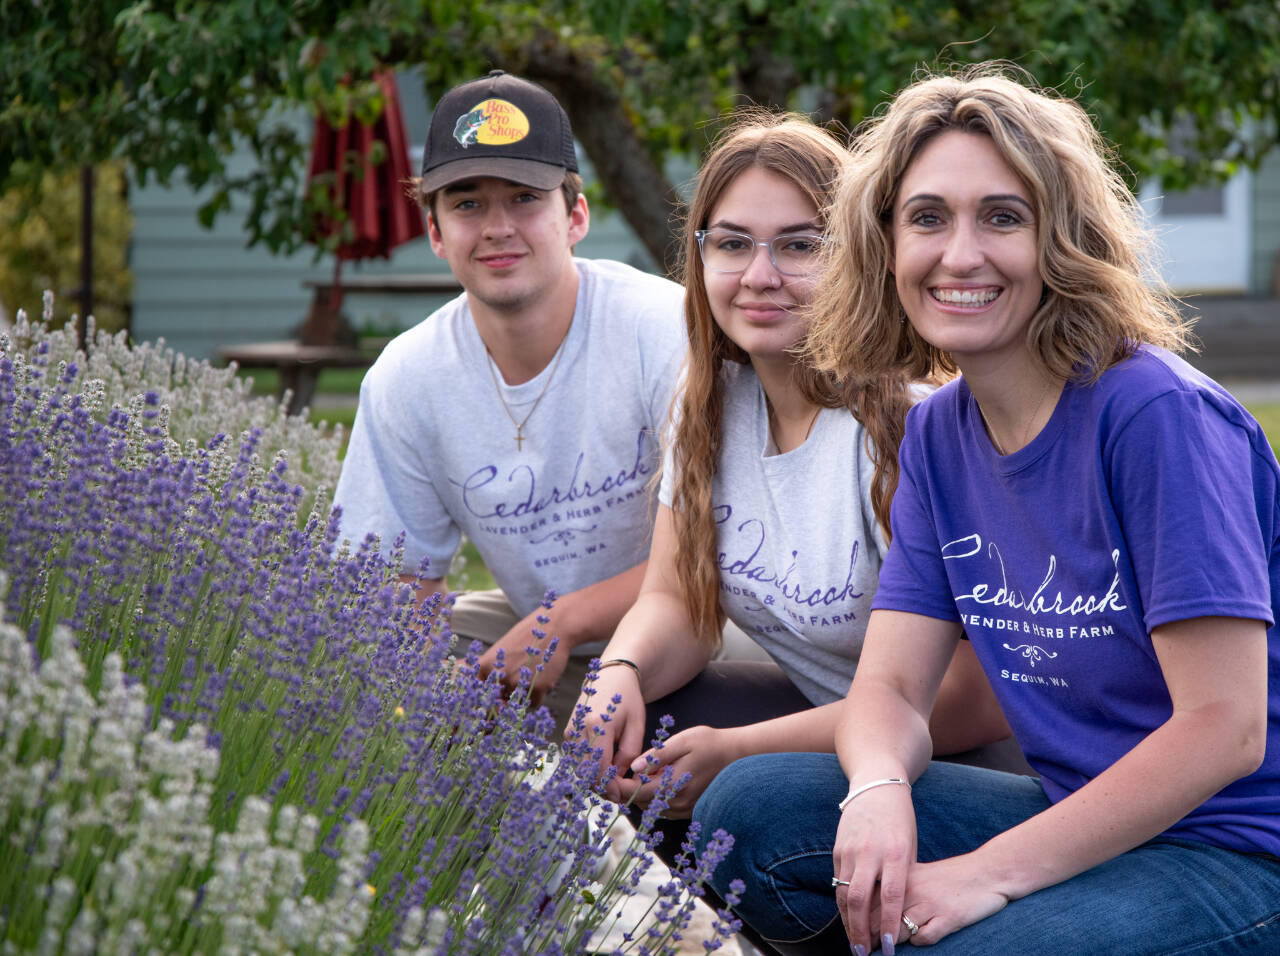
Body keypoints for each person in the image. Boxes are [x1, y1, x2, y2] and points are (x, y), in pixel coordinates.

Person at [693, 65, 1280, 956]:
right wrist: (880, 787)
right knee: (750, 815)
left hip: (1236, 848)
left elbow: (1224, 729)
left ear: (1061, 238)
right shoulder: (937, 434)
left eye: (1002, 217)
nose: (960, 255)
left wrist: (988, 872)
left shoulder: (1154, 415)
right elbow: (891, 687)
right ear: (884, 243)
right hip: (1071, 805)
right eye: (927, 218)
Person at [569, 113, 1010, 837]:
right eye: (733, 243)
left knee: (737, 793)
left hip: (960, 757)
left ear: (858, 254)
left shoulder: (911, 425)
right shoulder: (711, 404)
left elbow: (977, 695)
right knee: (638, 732)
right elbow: (677, 598)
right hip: (833, 725)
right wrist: (618, 671)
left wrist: (743, 750)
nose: (760, 275)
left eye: (800, 244)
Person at [334, 70, 688, 723]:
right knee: (354, 662)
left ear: (575, 216)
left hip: (702, 635)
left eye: (525, 198)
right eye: (466, 204)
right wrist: (417, 714)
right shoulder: (407, 378)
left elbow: (717, 553)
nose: (497, 227)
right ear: (436, 234)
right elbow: (395, 586)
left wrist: (568, 618)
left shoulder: (664, 330)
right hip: (541, 632)